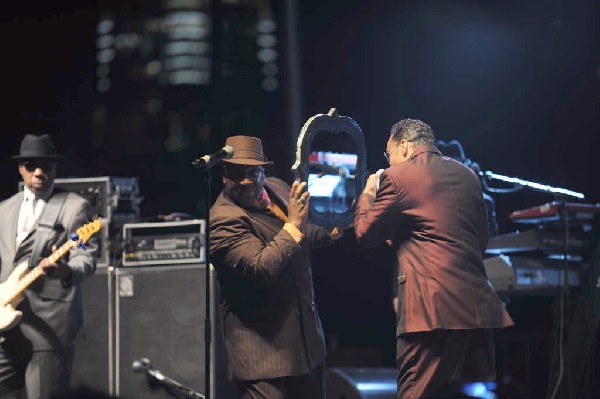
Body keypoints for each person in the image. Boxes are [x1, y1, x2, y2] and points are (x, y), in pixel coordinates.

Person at [353, 119, 514, 399]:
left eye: (388, 155)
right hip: (477, 308)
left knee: (417, 393)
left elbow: (365, 233)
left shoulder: (398, 177)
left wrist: (368, 193)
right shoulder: (468, 176)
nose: (389, 163)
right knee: (476, 394)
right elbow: (481, 241)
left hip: (431, 311)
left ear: (403, 146)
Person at [209, 135, 341, 399]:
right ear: (224, 175)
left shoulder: (277, 188)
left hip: (305, 347)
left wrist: (347, 220)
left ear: (263, 170)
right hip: (264, 355)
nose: (247, 181)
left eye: (253, 172)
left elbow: (307, 232)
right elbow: (261, 269)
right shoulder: (222, 220)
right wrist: (292, 223)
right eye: (238, 173)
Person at [0, 134, 98, 399]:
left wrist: (66, 271)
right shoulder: (5, 209)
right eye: (31, 165)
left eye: (46, 165)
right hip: (5, 326)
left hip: (50, 325)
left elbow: (85, 258)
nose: (39, 172)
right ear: (20, 168)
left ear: (56, 167)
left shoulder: (75, 207)